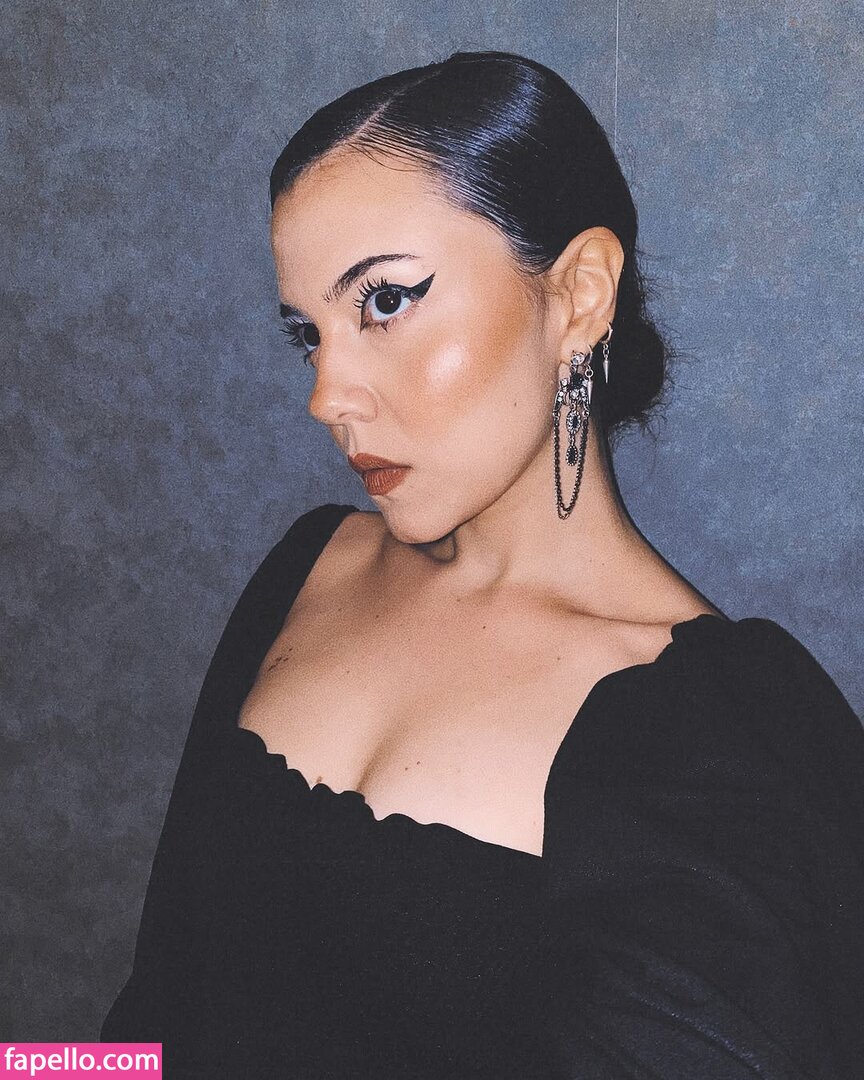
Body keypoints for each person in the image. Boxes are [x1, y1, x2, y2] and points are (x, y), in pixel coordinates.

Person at [100, 51, 864, 1078]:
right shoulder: (311, 567)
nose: (326, 397)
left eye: (383, 302)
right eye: (307, 333)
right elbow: (147, 1027)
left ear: (580, 294)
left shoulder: (717, 736)